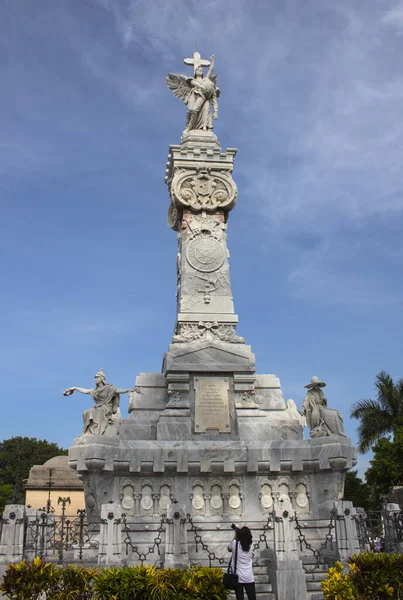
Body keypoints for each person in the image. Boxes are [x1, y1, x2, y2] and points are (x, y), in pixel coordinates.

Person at [63, 369, 135, 436]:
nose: (95, 379)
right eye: (95, 378)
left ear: (102, 378)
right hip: (99, 408)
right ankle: (88, 432)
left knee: (93, 411)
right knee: (85, 412)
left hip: (107, 408)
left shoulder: (109, 388)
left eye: (97, 377)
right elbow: (86, 391)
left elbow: (118, 391)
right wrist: (75, 388)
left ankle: (95, 432)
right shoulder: (95, 390)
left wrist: (128, 390)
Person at [166, 54, 219, 132]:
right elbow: (192, 82)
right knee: (190, 109)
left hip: (202, 96)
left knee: (196, 110)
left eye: (201, 70)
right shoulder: (191, 80)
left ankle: (191, 127)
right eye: (198, 70)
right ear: (195, 72)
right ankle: (188, 126)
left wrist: (213, 60)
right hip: (194, 94)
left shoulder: (206, 79)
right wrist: (201, 86)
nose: (200, 70)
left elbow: (211, 70)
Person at [228, 526, 256, 600]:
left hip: (238, 577)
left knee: (240, 598)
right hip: (249, 577)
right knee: (252, 598)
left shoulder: (234, 543)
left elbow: (229, 548)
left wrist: (235, 536)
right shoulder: (251, 545)